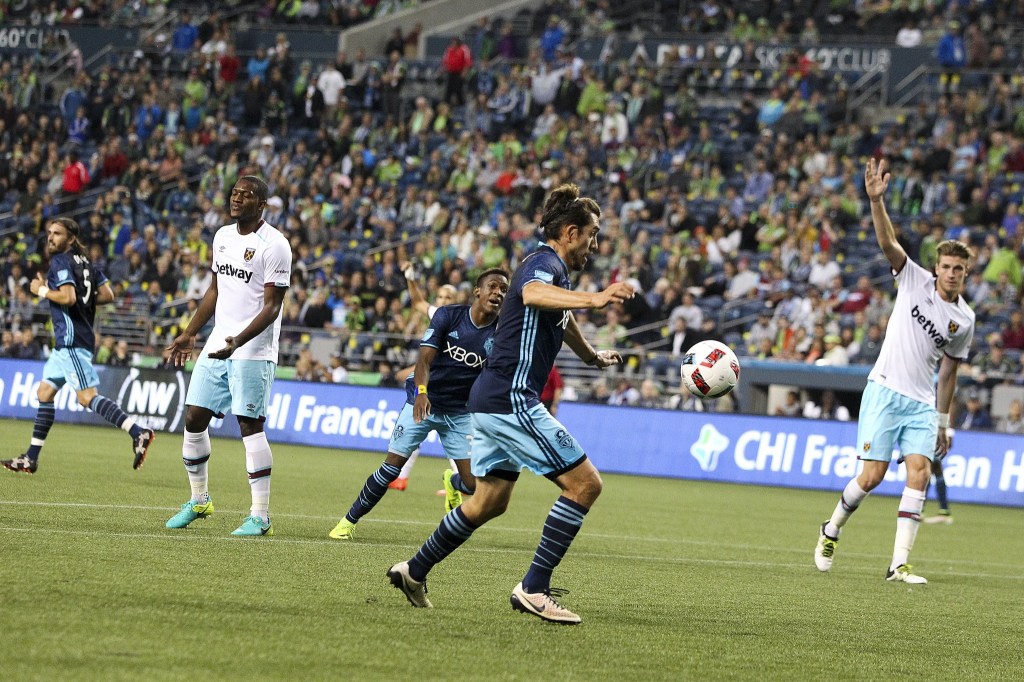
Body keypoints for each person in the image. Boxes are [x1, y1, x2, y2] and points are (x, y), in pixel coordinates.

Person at [386, 183, 636, 624]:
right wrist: (597, 298)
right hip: (510, 398)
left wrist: (590, 355)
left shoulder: (549, 266)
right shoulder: (543, 264)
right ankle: (534, 588)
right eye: (593, 235)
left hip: (488, 398)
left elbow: (560, 315)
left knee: (489, 501)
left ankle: (415, 569)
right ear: (572, 231)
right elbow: (535, 296)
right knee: (585, 485)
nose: (595, 245)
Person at [814, 159, 975, 585]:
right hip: (885, 390)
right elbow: (887, 242)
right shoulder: (913, 280)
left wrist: (944, 423)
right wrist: (876, 201)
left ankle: (898, 564)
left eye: (960, 269)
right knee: (871, 477)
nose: (952, 274)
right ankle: (831, 529)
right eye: (947, 267)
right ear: (937, 267)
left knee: (919, 471)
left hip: (921, 403)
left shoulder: (965, 321)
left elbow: (949, 375)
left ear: (966, 274)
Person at [328, 268, 510, 540]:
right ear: (477, 291)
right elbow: (424, 360)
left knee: (473, 485)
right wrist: (422, 391)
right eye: (493, 286)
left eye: (503, 290)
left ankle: (452, 481)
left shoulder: (502, 334)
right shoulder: (448, 315)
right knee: (391, 468)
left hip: (459, 413)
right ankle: (348, 521)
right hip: (424, 402)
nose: (497, 293)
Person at [163, 176, 292, 537]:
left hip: (252, 348)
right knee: (193, 418)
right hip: (219, 342)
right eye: (235, 192)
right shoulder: (221, 237)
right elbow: (216, 290)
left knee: (250, 426)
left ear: (261, 203)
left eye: (246, 194)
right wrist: (190, 332)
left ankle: (260, 515)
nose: (237, 198)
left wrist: (237, 341)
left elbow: (271, 308)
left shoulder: (275, 245)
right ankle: (199, 499)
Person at [2, 218, 155, 474]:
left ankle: (138, 432)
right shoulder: (87, 263)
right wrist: (86, 301)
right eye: (49, 233)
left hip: (72, 340)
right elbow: (108, 294)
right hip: (65, 345)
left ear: (71, 238)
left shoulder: (60, 262)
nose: (50, 237)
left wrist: (41, 290)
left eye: (57, 234)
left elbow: (69, 297)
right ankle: (30, 457)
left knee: (86, 397)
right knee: (44, 393)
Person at [387, 265, 460, 492]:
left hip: (454, 385)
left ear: (457, 299)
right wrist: (410, 278)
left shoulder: (461, 320)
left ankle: (460, 482)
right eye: (439, 296)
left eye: (448, 297)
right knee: (416, 425)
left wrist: (411, 368)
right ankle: (402, 478)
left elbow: (436, 356)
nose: (442, 300)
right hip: (433, 384)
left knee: (453, 437)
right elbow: (418, 303)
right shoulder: (438, 314)